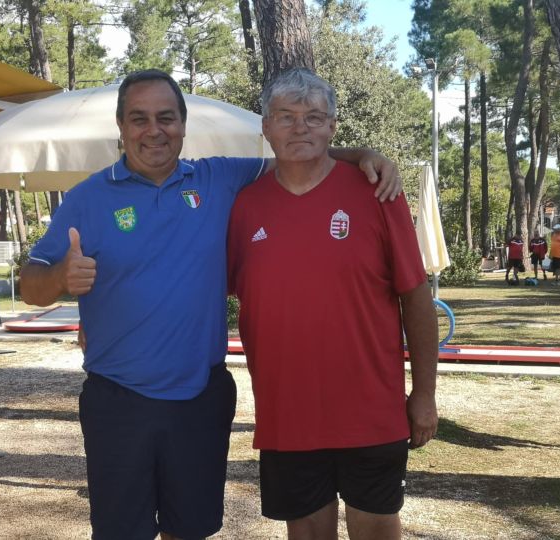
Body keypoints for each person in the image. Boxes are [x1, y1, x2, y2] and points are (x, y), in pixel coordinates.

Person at [20, 68, 402, 540]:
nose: (154, 130)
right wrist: (60, 276)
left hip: (200, 399)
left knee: (190, 530)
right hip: (118, 399)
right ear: (120, 125)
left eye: (166, 117)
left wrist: (363, 155)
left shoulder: (218, 176)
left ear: (183, 124)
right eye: (139, 119)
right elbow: (30, 286)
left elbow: (297, 152)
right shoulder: (87, 198)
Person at [227, 68, 439, 540]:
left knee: (377, 529)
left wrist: (424, 393)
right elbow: (200, 289)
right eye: (286, 116)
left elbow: (415, 296)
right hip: (287, 414)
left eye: (314, 117)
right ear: (266, 126)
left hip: (371, 411)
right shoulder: (243, 206)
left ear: (332, 127)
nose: (300, 127)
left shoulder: (378, 193)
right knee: (306, 532)